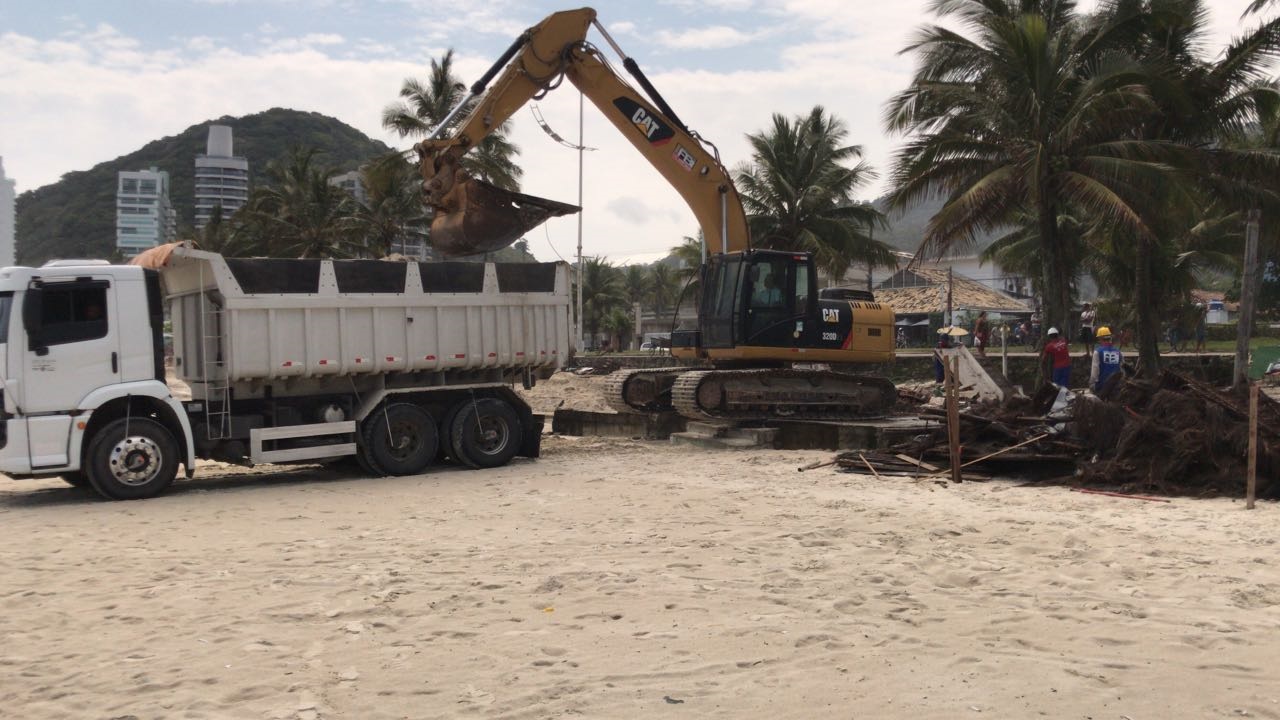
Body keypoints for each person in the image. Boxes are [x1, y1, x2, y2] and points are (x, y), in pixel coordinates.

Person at [1090, 326, 1122, 393]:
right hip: (1116, 387)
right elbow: (1122, 369)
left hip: (1102, 386)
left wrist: (1091, 384)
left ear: (1100, 338)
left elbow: (1094, 373)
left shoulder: (1097, 352)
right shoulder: (1118, 352)